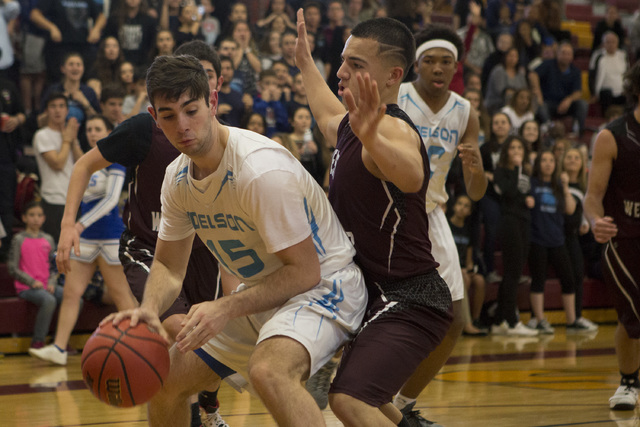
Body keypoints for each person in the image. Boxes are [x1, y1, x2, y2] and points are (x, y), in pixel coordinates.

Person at [102, 53, 367, 427]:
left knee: (269, 371)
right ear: (153, 117)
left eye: (191, 110)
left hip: (325, 288)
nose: (182, 126)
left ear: (212, 102)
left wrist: (225, 307)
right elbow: (167, 264)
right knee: (165, 383)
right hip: (262, 292)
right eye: (168, 116)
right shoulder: (176, 178)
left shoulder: (258, 171)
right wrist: (148, 309)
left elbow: (305, 272)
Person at [56, 41, 229, 427]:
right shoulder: (143, 129)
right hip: (148, 248)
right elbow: (84, 165)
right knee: (178, 330)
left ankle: (209, 402)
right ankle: (190, 410)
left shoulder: (229, 141)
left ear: (213, 90)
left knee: (213, 338)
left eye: (201, 79)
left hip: (204, 252)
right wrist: (68, 223)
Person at [296, 10, 453, 426]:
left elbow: (412, 173)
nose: (342, 72)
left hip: (409, 297)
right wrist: (305, 64)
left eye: (357, 65)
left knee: (348, 401)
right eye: (344, 60)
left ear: (392, 75)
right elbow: (326, 114)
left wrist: (370, 134)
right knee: (371, 401)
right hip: (374, 296)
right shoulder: (353, 125)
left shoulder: (393, 131)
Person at [393, 24, 488, 424]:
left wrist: (477, 169)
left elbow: (477, 191)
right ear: (416, 63)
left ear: (456, 66)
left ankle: (401, 407)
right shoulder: (396, 96)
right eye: (429, 60)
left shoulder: (465, 112)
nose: (437, 67)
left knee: (455, 318)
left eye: (445, 61)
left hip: (431, 214)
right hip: (389, 210)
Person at [29, 115, 137, 366]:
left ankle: (136, 346)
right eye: (88, 129)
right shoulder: (84, 162)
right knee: (71, 293)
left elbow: (111, 201)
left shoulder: (116, 160)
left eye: (98, 128)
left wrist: (77, 224)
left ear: (109, 131)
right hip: (85, 238)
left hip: (110, 236)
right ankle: (58, 347)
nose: (92, 132)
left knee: (121, 296)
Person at [584, 61, 640, 411]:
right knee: (634, 317)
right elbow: (592, 196)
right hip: (624, 238)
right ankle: (628, 383)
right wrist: (593, 219)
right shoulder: (613, 135)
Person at [526, 149, 586, 334]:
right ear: (539, 164)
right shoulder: (532, 184)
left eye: (551, 160)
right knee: (538, 280)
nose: (548, 164)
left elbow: (570, 209)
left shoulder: (559, 185)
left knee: (569, 280)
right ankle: (539, 319)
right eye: (544, 160)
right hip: (537, 240)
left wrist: (566, 187)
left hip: (558, 240)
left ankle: (571, 321)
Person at [490, 136, 538, 336]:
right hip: (509, 221)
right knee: (512, 271)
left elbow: (526, 192)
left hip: (524, 221)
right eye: (513, 148)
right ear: (506, 152)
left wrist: (530, 199)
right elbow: (508, 192)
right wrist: (517, 170)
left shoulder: (527, 171)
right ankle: (511, 321)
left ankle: (500, 320)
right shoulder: (501, 171)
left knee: (515, 270)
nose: (517, 151)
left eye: (520, 147)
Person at [8, 202, 63, 350]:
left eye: (39, 215)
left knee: (72, 297)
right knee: (49, 300)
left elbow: (54, 265)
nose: (36, 219)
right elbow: (12, 267)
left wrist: (52, 281)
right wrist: (31, 282)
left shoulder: (48, 239)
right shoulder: (18, 239)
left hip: (47, 285)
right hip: (27, 287)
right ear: (24, 218)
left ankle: (59, 341)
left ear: (44, 218)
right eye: (32, 215)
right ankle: (38, 341)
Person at [33, 93, 84, 243]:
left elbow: (82, 163)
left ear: (67, 111)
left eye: (61, 106)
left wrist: (73, 140)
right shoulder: (42, 135)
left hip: (74, 199)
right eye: (53, 106)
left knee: (75, 248)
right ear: (46, 111)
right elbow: (57, 164)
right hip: (52, 199)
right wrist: (67, 141)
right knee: (57, 247)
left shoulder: (68, 134)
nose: (57, 110)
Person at [561, 147, 598, 333]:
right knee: (569, 276)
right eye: (569, 157)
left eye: (576, 158)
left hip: (575, 236)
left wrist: (586, 222)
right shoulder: (559, 182)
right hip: (559, 236)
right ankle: (572, 319)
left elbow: (585, 210)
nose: (573, 160)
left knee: (578, 274)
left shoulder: (585, 186)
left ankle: (577, 317)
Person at [448, 194, 487, 336]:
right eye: (459, 203)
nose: (461, 208)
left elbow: (469, 258)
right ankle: (464, 323)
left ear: (470, 212)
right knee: (464, 279)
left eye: (466, 206)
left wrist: (469, 268)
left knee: (480, 280)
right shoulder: (446, 226)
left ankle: (475, 319)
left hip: (463, 268)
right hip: (450, 268)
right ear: (453, 206)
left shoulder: (469, 230)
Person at [531, 41, 588, 136]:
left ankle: (578, 131)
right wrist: (538, 92)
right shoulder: (548, 64)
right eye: (563, 53)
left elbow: (578, 92)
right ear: (557, 54)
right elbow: (533, 74)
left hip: (566, 105)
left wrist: (568, 100)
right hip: (548, 102)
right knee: (541, 106)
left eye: (568, 54)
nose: (566, 56)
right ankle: (549, 129)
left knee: (582, 104)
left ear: (572, 56)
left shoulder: (575, 71)